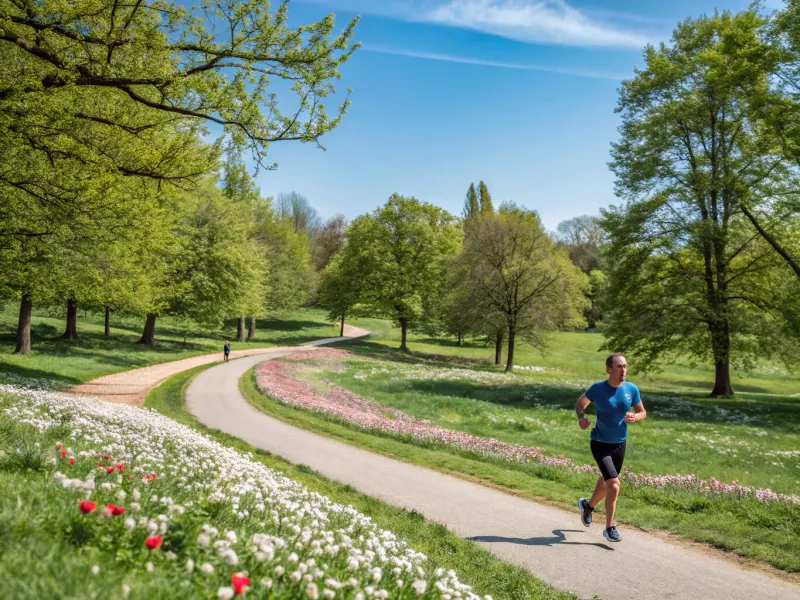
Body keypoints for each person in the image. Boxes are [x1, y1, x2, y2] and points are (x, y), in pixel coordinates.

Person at [574, 352, 646, 543]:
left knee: (606, 481)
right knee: (614, 483)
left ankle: (588, 506)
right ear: (609, 369)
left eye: (625, 366)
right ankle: (609, 528)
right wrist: (582, 419)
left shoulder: (631, 389)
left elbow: (642, 412)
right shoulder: (598, 389)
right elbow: (580, 404)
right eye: (618, 366)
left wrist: (635, 417)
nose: (623, 370)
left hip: (619, 444)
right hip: (599, 443)